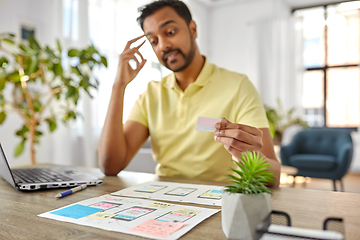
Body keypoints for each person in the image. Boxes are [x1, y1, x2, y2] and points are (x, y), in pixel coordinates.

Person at [98, 0, 280, 186]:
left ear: (193, 29)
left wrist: (249, 157)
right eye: (154, 41)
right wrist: (119, 86)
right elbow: (110, 166)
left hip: (219, 202)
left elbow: (273, 176)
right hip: (165, 200)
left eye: (170, 32)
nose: (163, 46)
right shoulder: (151, 94)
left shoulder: (238, 86)